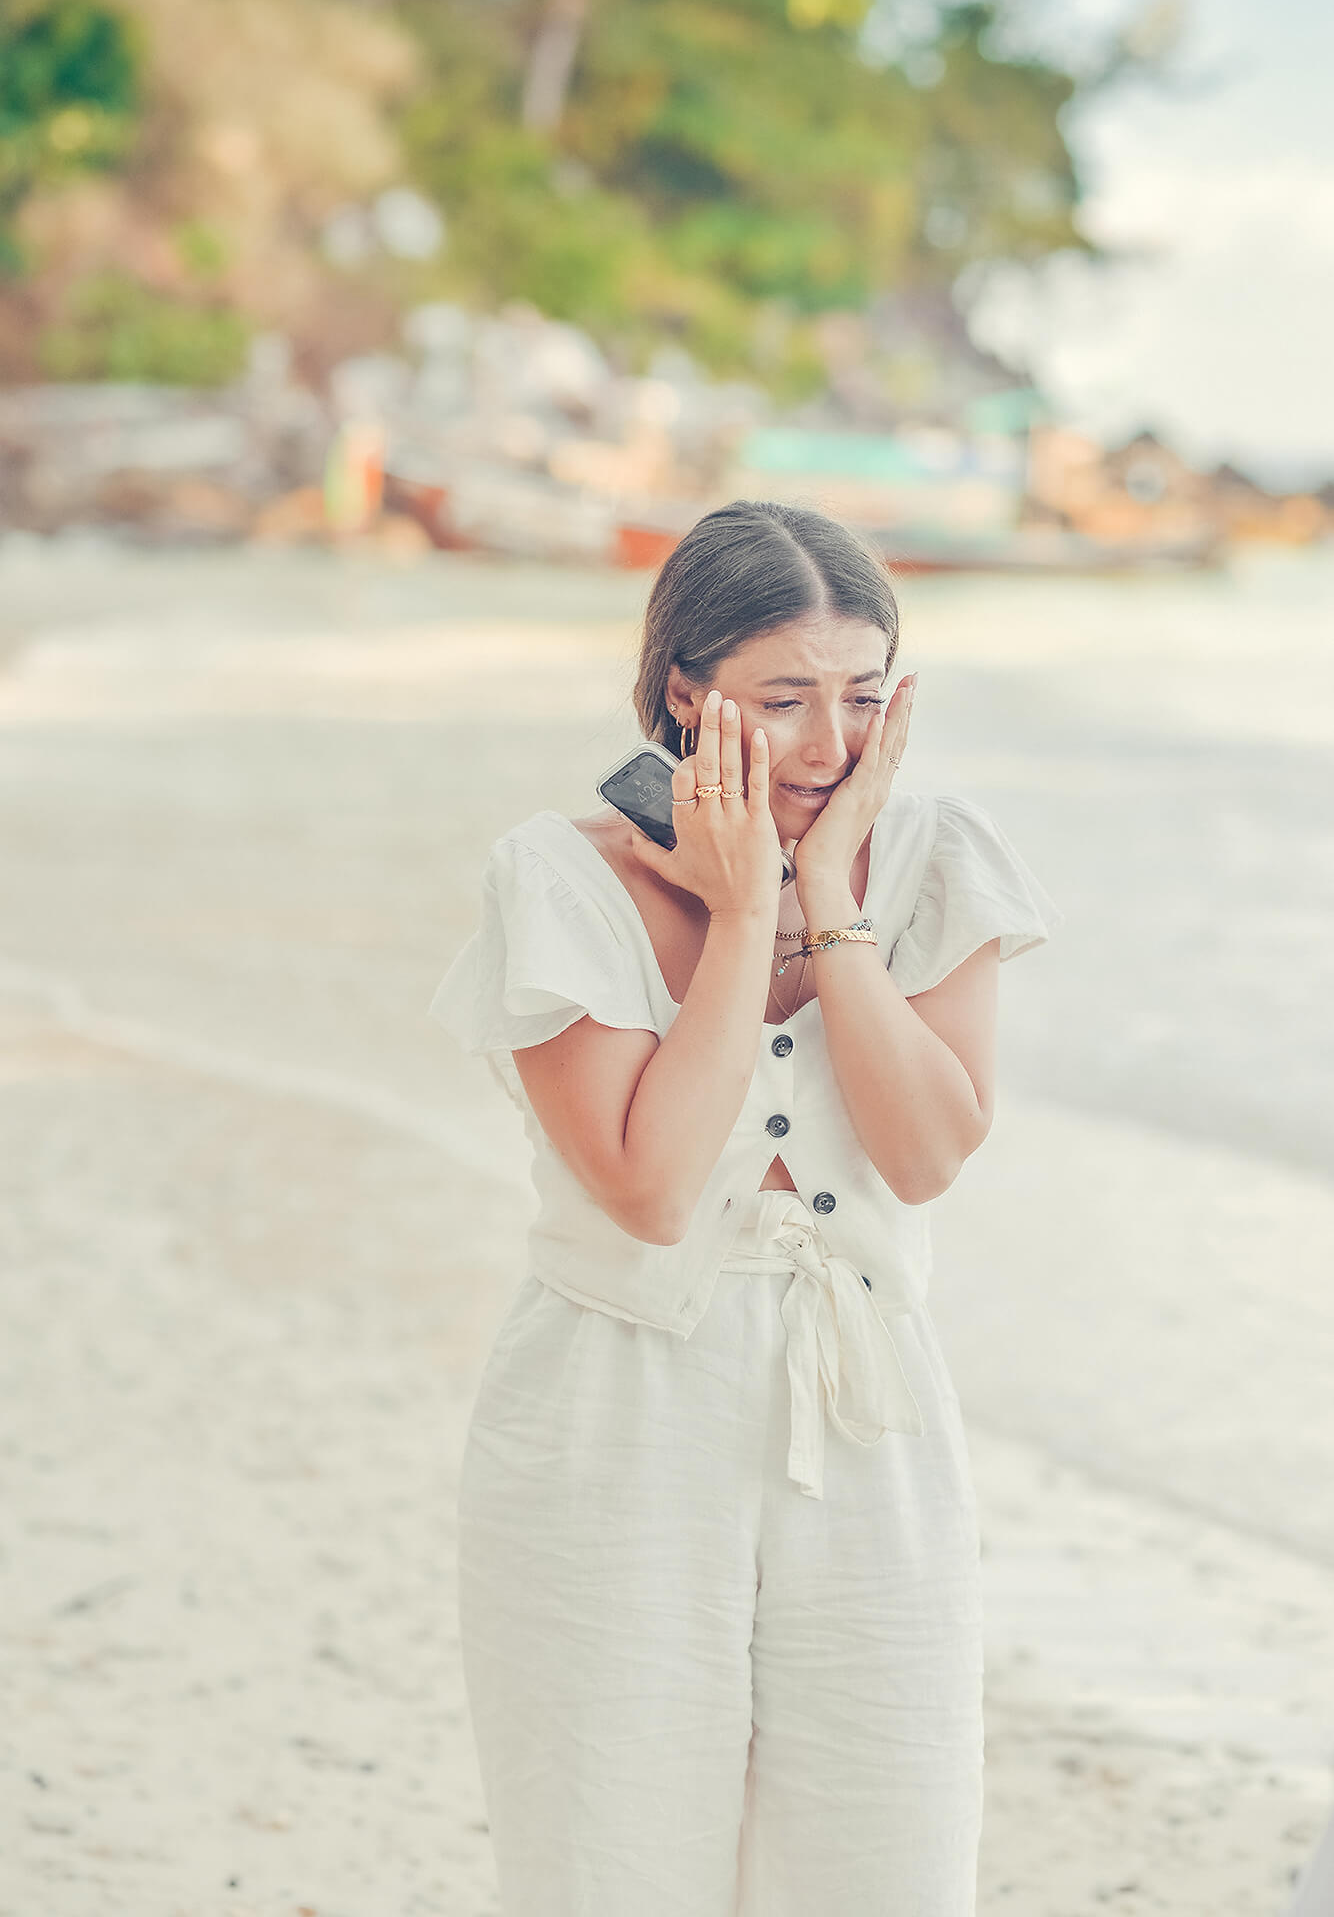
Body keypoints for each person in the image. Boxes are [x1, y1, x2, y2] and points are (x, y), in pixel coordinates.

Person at [430, 500, 1060, 1917]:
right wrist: (735, 914)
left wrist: (824, 893)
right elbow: (650, 1188)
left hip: (868, 1415)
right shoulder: (559, 874)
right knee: (611, 1862)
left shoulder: (928, 860)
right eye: (784, 701)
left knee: (884, 1860)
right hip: (614, 1413)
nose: (832, 747)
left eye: (860, 695)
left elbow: (925, 1151)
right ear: (682, 693)